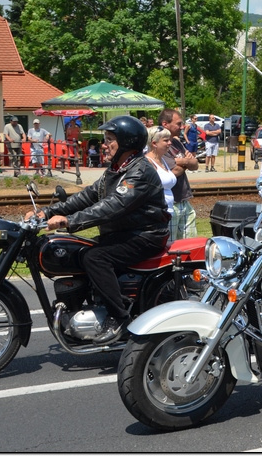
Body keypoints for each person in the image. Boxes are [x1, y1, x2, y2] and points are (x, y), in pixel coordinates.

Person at [29, 116, 170, 344]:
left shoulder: (140, 171)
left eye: (110, 139)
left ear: (126, 142)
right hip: (124, 233)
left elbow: (113, 206)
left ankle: (121, 319)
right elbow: (88, 196)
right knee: (79, 251)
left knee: (95, 257)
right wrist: (46, 212)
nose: (104, 144)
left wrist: (69, 221)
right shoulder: (117, 169)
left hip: (145, 235)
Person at [159, 109, 199, 239]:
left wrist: (183, 161)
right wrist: (187, 162)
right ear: (165, 124)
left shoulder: (176, 142)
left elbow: (195, 164)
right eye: (178, 124)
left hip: (184, 200)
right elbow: (173, 172)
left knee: (191, 245)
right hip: (171, 204)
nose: (182, 127)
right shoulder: (159, 145)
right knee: (171, 246)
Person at [144, 126, 177, 216]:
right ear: (154, 143)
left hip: (168, 212)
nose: (170, 143)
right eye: (166, 140)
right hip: (157, 215)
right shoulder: (147, 162)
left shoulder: (162, 160)